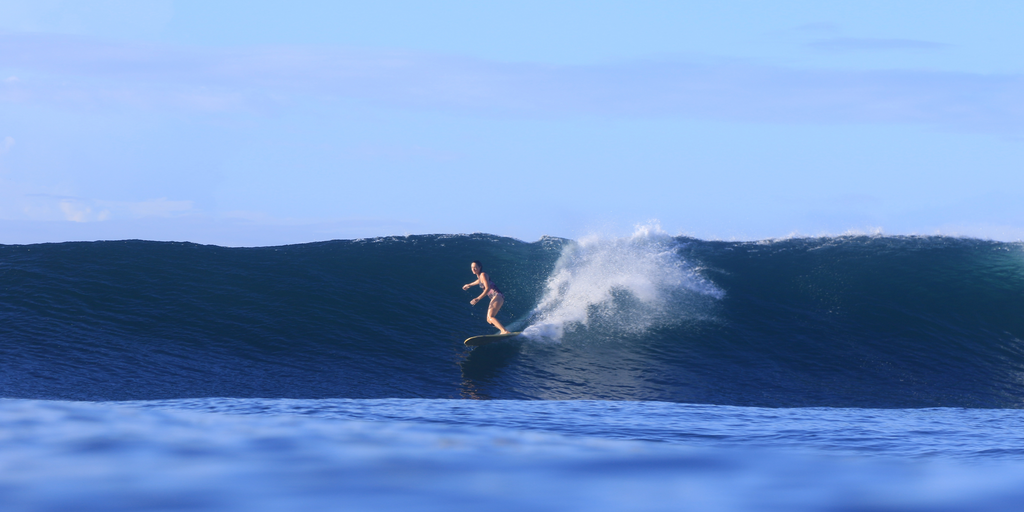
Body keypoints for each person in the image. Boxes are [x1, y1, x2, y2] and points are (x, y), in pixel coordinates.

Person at [462, 260, 509, 334]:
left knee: (490, 316)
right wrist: (469, 285)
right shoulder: (480, 277)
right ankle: (504, 330)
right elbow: (478, 281)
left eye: (475, 267)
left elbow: (487, 289)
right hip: (496, 297)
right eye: (472, 267)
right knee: (489, 320)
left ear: (480, 267)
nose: (473, 269)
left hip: (497, 296)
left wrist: (478, 298)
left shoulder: (483, 274)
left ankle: (504, 331)